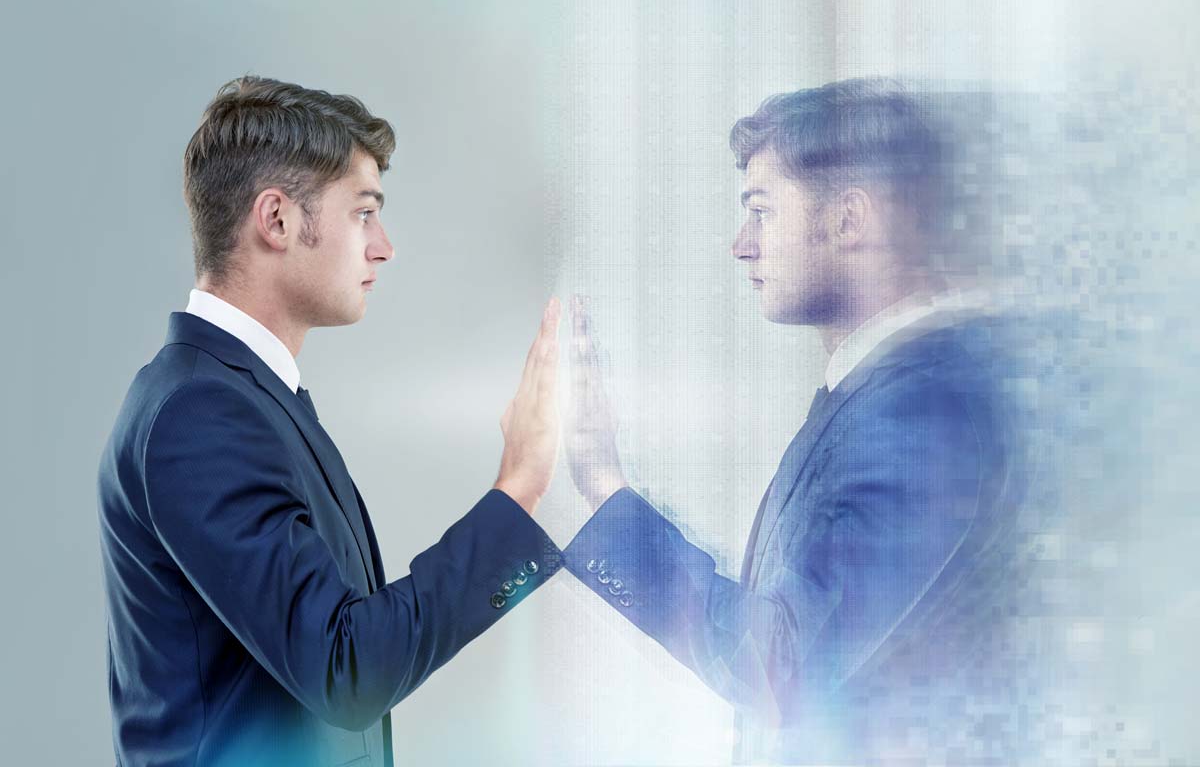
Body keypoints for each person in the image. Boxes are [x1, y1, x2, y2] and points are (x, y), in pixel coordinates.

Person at [560, 79, 1036, 763]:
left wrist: (604, 484)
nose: (742, 245)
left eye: (763, 211)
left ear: (849, 221)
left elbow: (778, 668)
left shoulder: (921, 411)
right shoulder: (885, 394)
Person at [97, 76, 563, 767]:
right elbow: (347, 670)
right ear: (277, 220)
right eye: (362, 213)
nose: (383, 247)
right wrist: (518, 488)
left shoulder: (246, 399)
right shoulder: (201, 414)